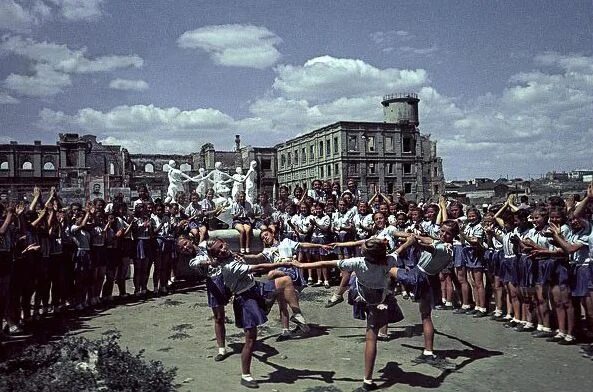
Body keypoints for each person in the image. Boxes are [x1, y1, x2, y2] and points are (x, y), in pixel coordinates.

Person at [293, 238, 404, 392]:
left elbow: (327, 263)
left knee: (352, 280)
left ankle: (339, 295)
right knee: (371, 337)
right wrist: (409, 242)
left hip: (363, 295)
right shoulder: (389, 260)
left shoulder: (358, 262)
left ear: (365, 253)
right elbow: (399, 250)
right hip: (379, 298)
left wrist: (302, 265)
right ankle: (368, 380)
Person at [205, 238, 306, 389]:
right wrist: (284, 263)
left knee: (285, 280)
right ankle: (245, 375)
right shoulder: (229, 267)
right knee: (251, 341)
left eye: (222, 246)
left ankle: (297, 316)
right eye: (218, 251)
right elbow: (258, 267)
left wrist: (242, 255)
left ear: (225, 243)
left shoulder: (230, 254)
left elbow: (250, 257)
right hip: (245, 300)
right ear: (216, 256)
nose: (222, 250)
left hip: (256, 288)